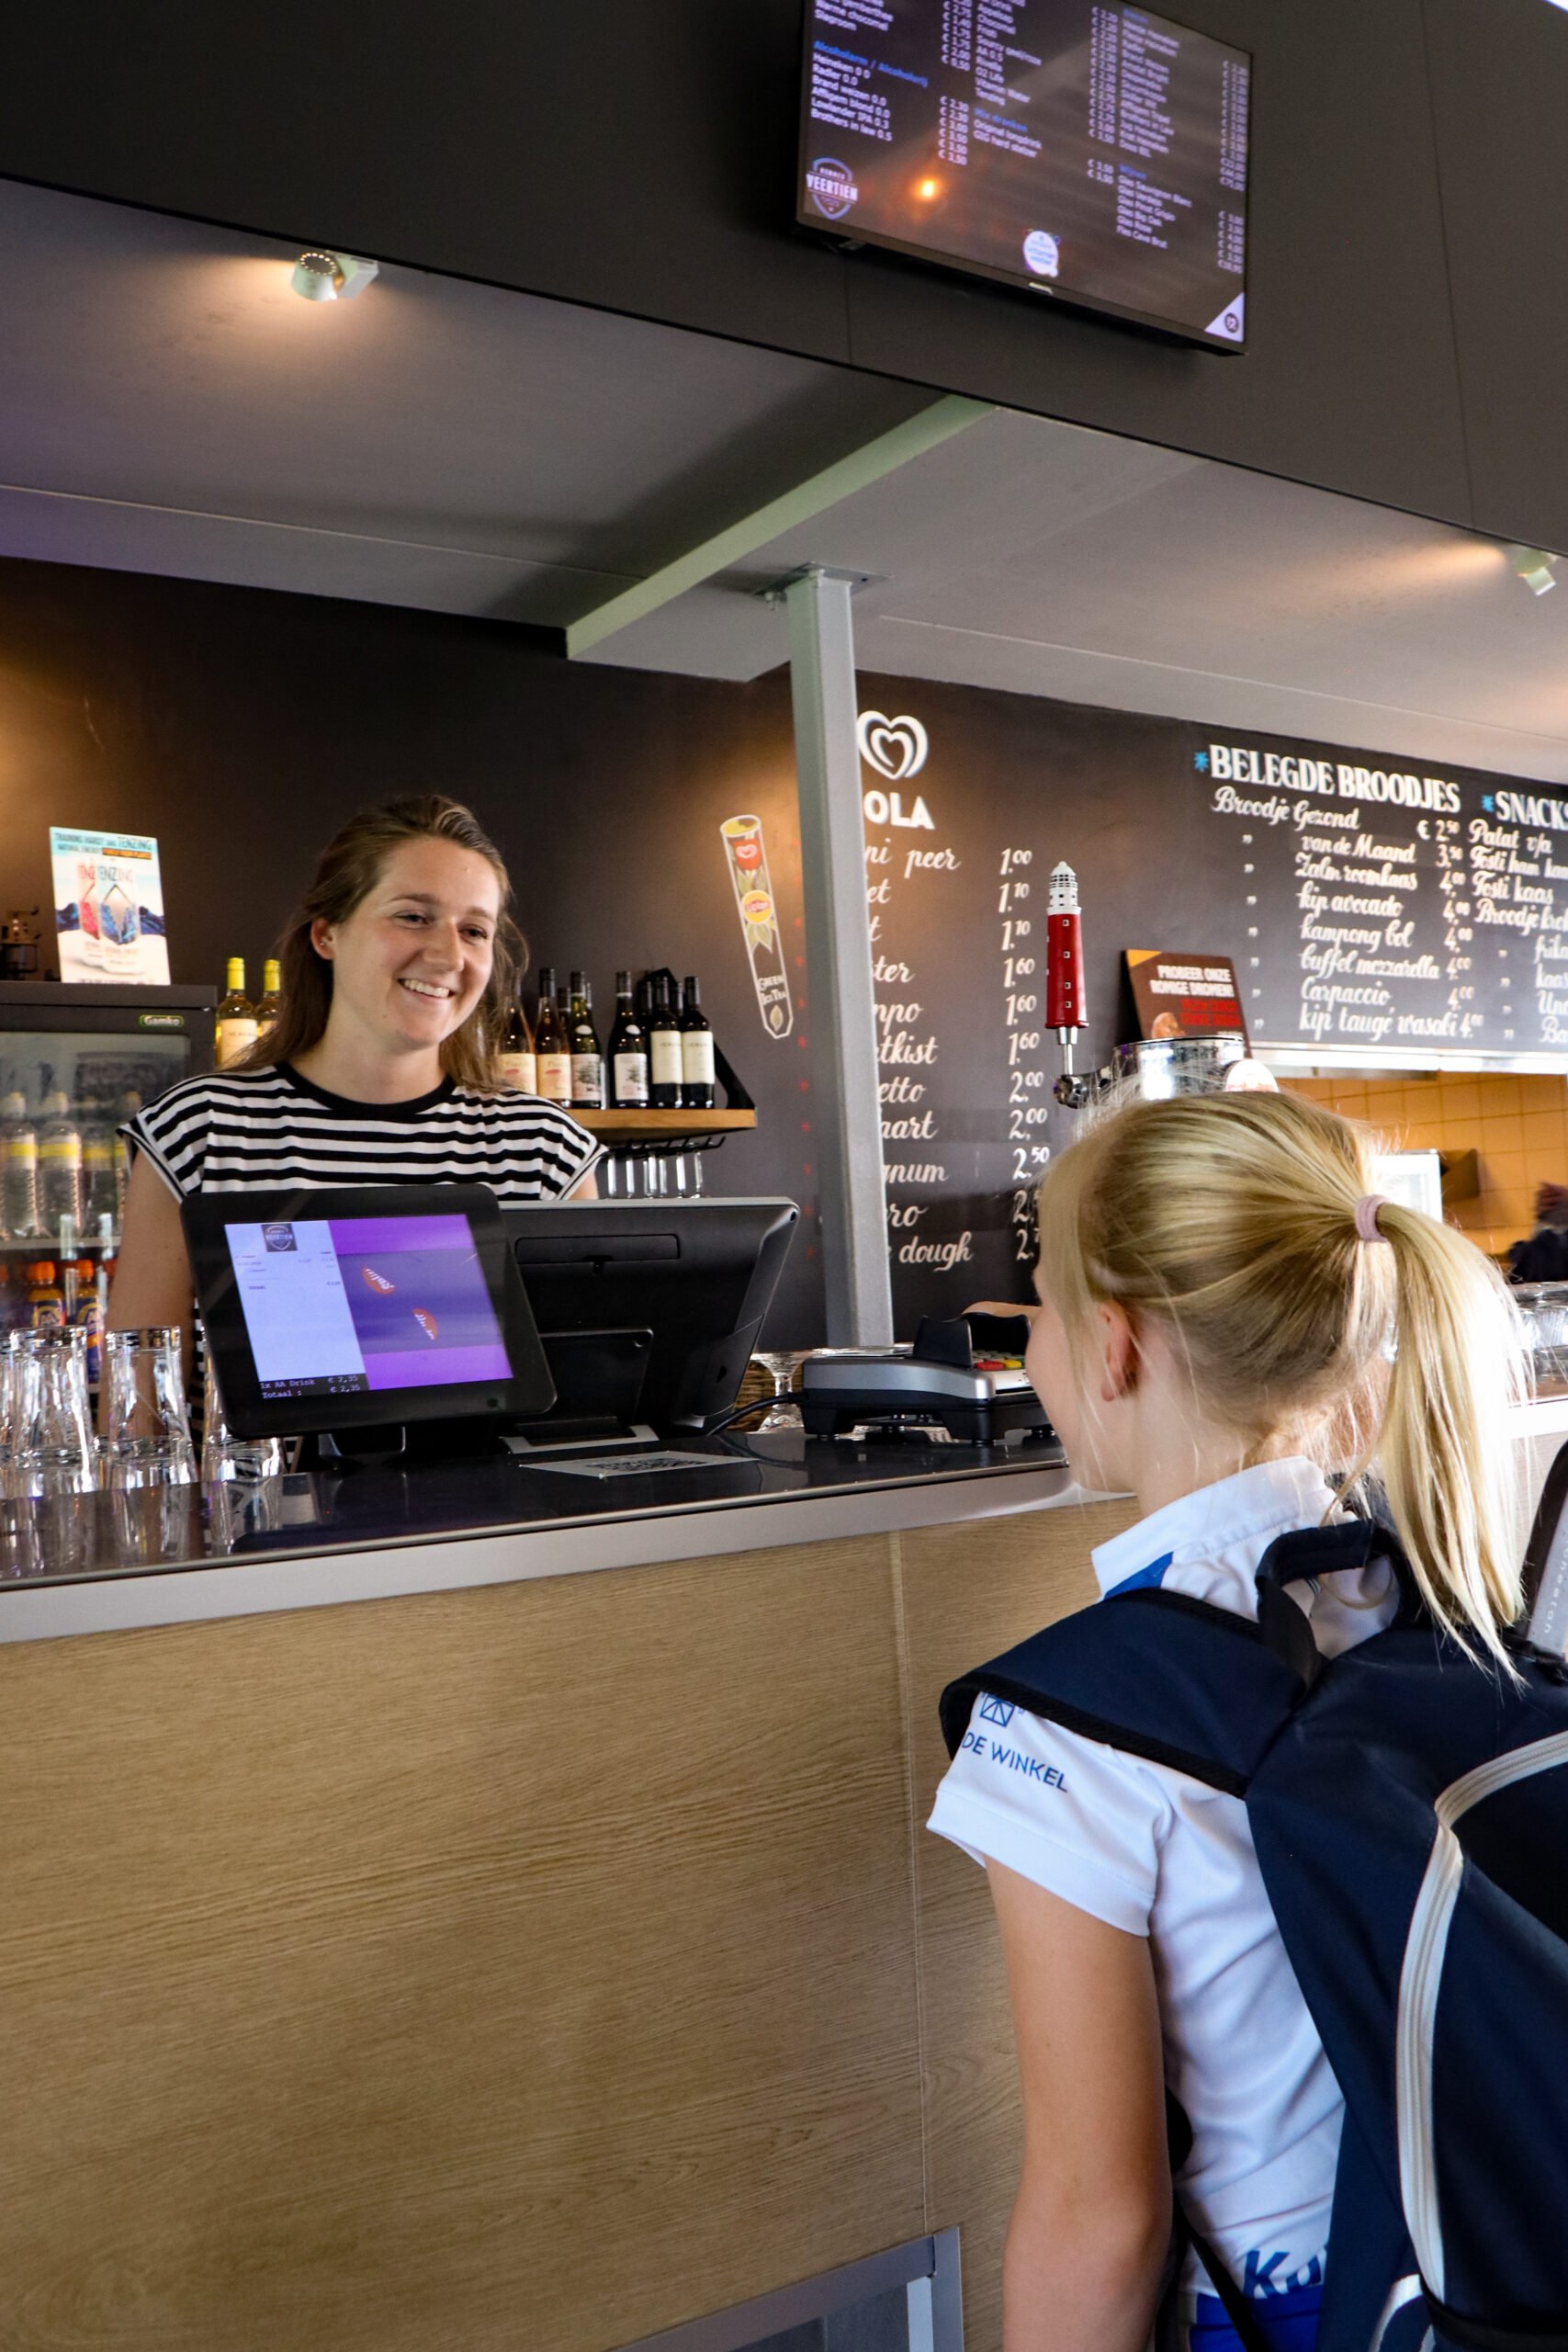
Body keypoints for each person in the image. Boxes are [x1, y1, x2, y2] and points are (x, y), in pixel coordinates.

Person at [929, 1088, 1524, 2352]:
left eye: (1034, 1300)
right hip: (1468, 2283)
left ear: (1113, 1346)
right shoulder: (1421, 1602)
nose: (1022, 1340)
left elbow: (1099, 2219)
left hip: (1279, 2315)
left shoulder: (1063, 1732)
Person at [109, 795, 599, 1354]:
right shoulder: (199, 1131)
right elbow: (138, 1410)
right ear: (327, 935)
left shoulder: (542, 1147)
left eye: (474, 931)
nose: (448, 956)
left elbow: (581, 1401)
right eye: (413, 916)